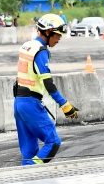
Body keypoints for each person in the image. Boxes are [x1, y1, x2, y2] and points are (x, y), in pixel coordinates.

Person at [14, 14, 78, 166]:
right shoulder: (41, 51)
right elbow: (48, 83)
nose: (58, 40)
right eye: (58, 36)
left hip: (19, 103)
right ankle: (31, 170)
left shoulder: (27, 46)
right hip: (31, 104)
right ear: (49, 32)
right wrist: (64, 105)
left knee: (29, 150)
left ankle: (27, 183)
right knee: (53, 143)